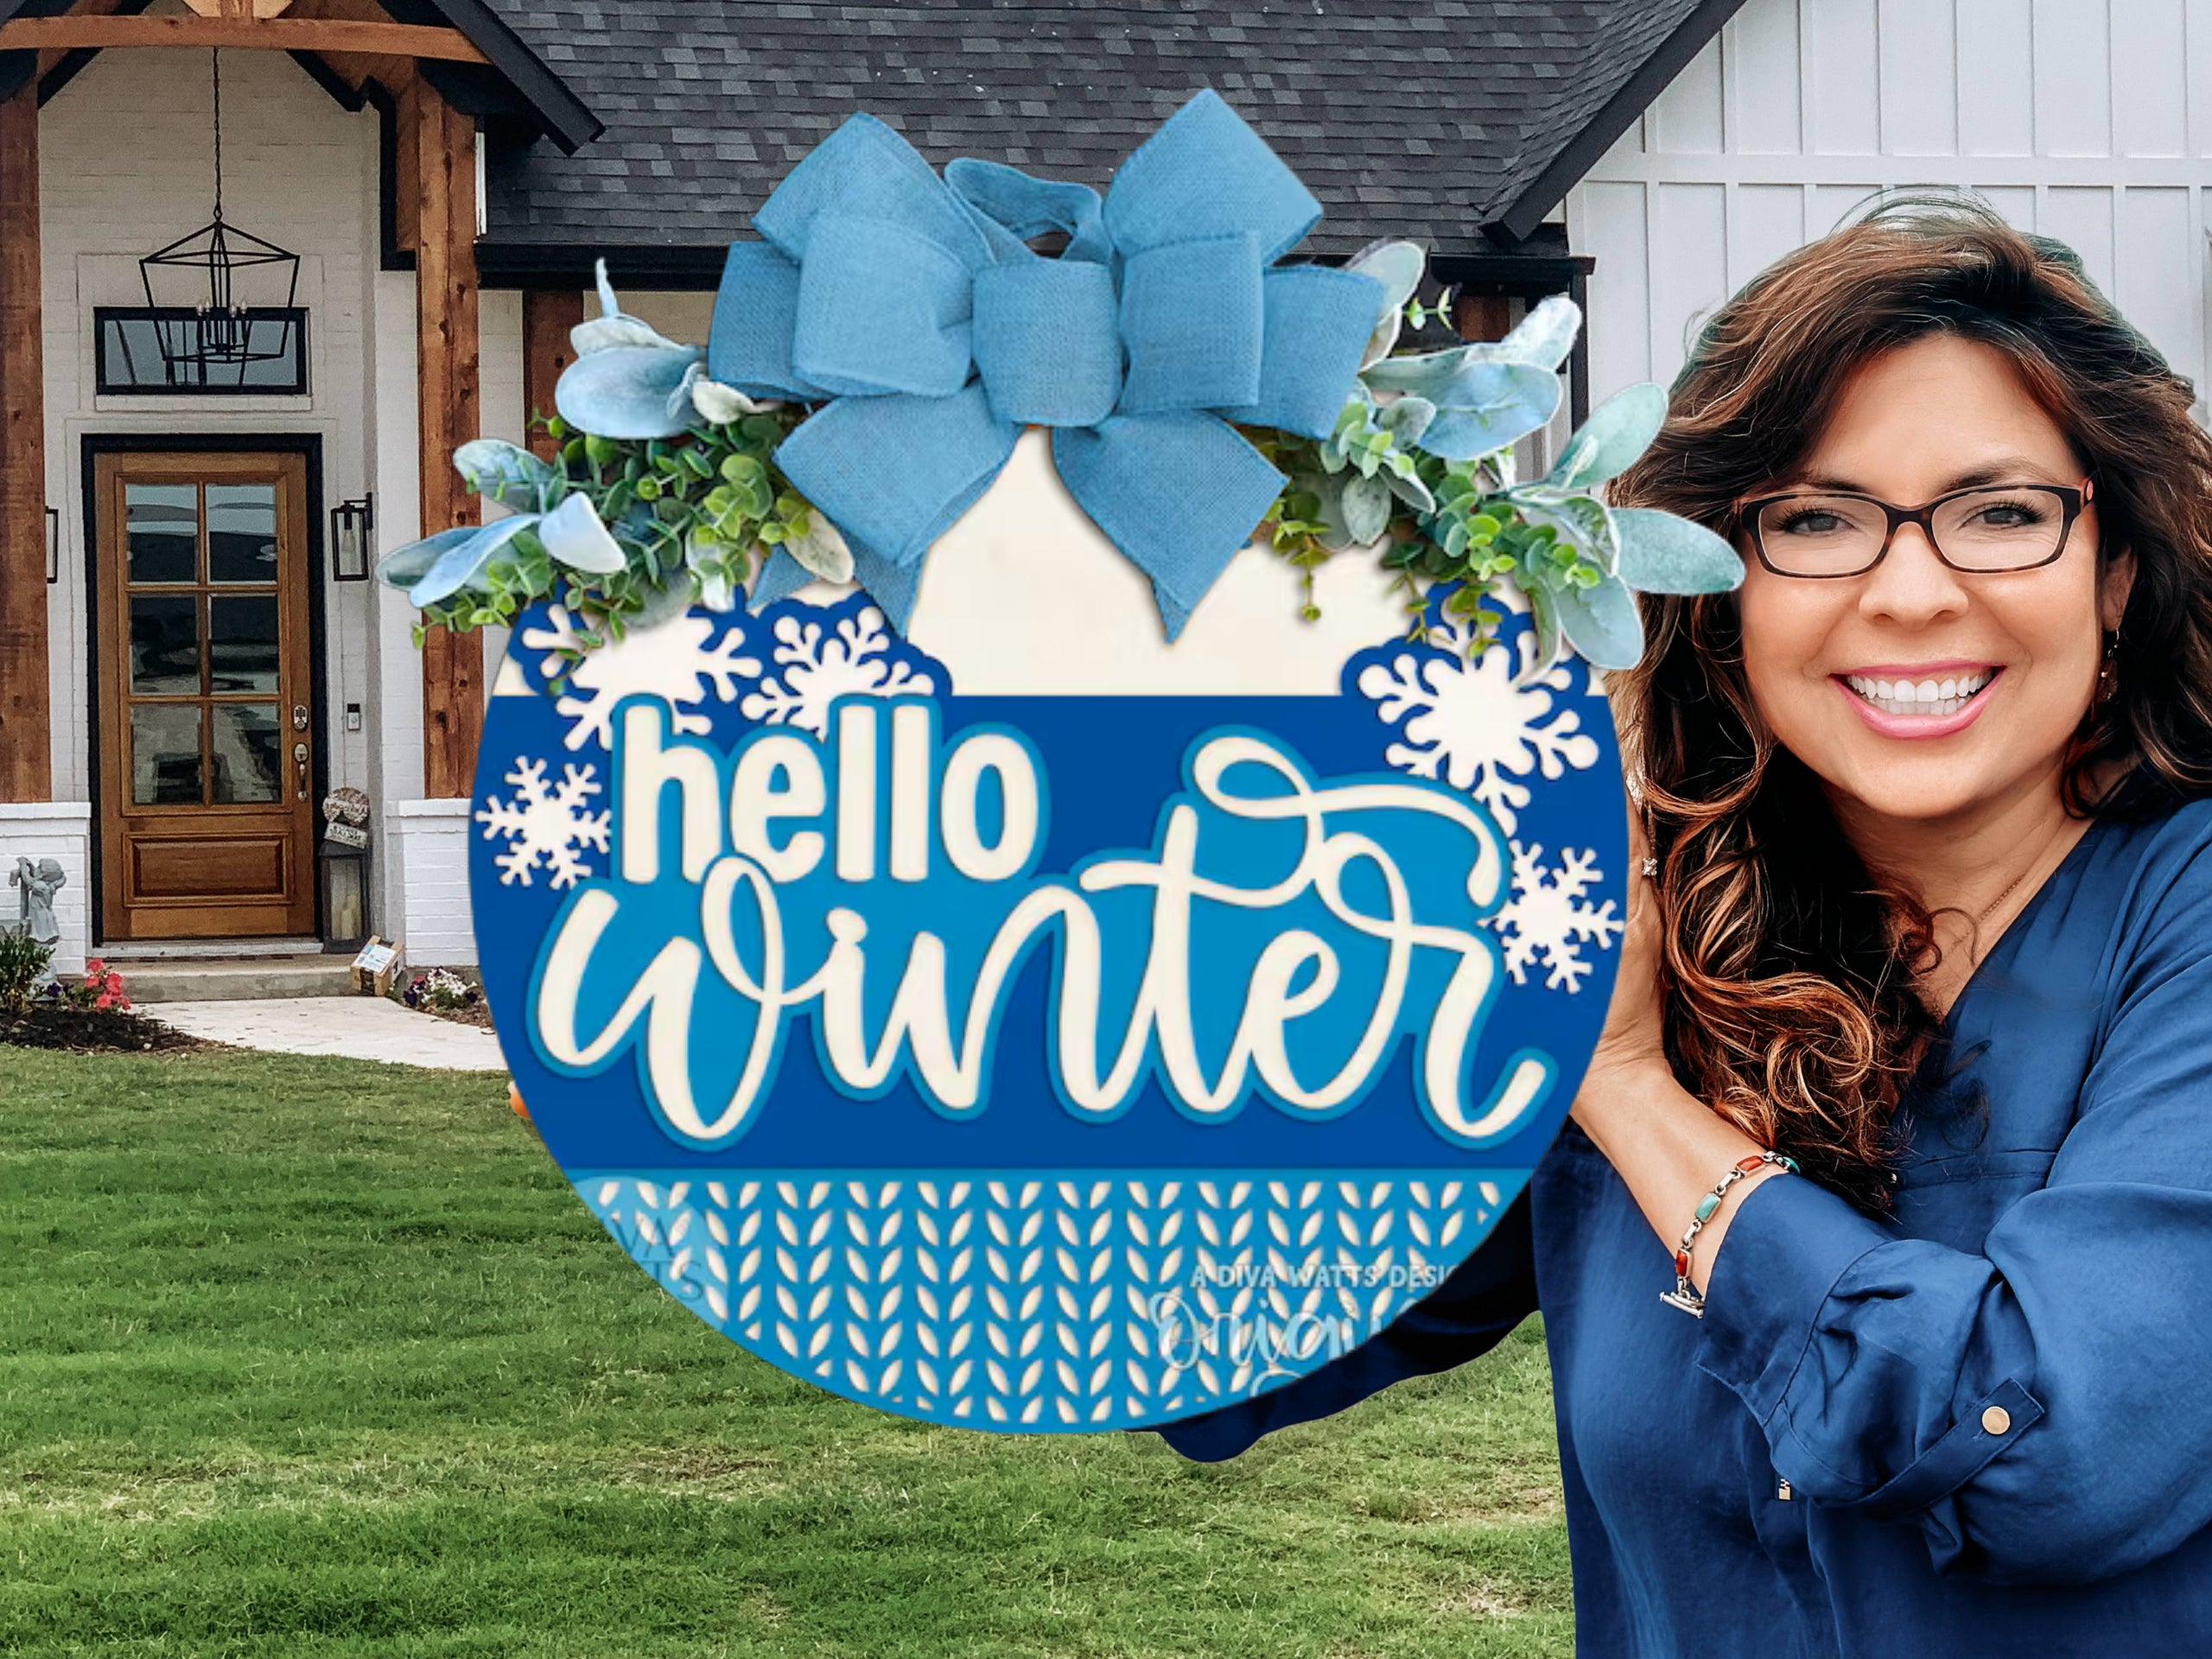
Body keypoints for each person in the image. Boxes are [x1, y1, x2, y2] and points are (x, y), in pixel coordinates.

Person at [1156, 198, 2212, 1656]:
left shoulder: (2179, 923)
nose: (1913, 593)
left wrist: (1630, 1091)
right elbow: (1220, 1344)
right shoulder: (1649, 916)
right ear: (1720, 592)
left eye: (2002, 514)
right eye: (1817, 521)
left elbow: (2051, 1459)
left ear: (2117, 574)